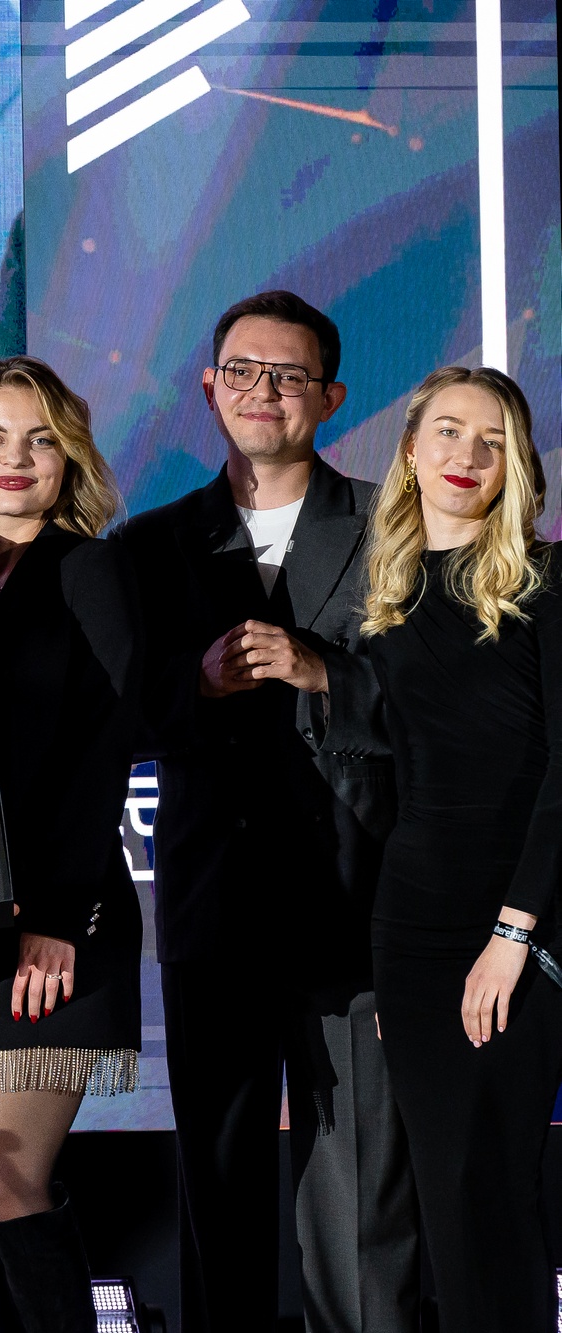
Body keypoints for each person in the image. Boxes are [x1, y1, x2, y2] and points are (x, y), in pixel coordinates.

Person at [112, 291, 419, 1333]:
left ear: (331, 397)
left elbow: (439, 709)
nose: (262, 392)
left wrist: (323, 672)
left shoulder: (393, 526)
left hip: (353, 912)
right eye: (241, 371)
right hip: (213, 911)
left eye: (288, 375)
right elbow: (118, 714)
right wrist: (193, 686)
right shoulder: (153, 543)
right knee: (218, 1192)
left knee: (362, 1203)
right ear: (208, 388)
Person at [0, 357, 142, 1332]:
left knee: (4, 1182)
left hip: (59, 925)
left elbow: (102, 749)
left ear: (69, 459)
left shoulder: (91, 569)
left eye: (39, 439)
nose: (12, 458)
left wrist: (54, 916)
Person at [356, 366, 562, 1333]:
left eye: (492, 439)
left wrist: (513, 932)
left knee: (495, 1185)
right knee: (446, 1194)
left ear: (515, 463)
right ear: (409, 449)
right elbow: (399, 787)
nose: (466, 455)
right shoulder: (387, 602)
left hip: (522, 924)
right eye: (446, 430)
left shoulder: (547, 585)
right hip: (414, 934)